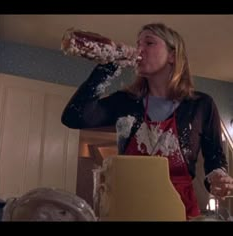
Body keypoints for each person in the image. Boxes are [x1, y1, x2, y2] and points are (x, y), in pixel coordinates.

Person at [61, 23, 233, 219]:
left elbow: (215, 159)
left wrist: (218, 178)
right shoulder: (125, 101)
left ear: (172, 55)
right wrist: (107, 68)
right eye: (138, 43)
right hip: (128, 208)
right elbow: (73, 117)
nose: (139, 49)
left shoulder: (201, 104)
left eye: (149, 42)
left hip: (179, 210)